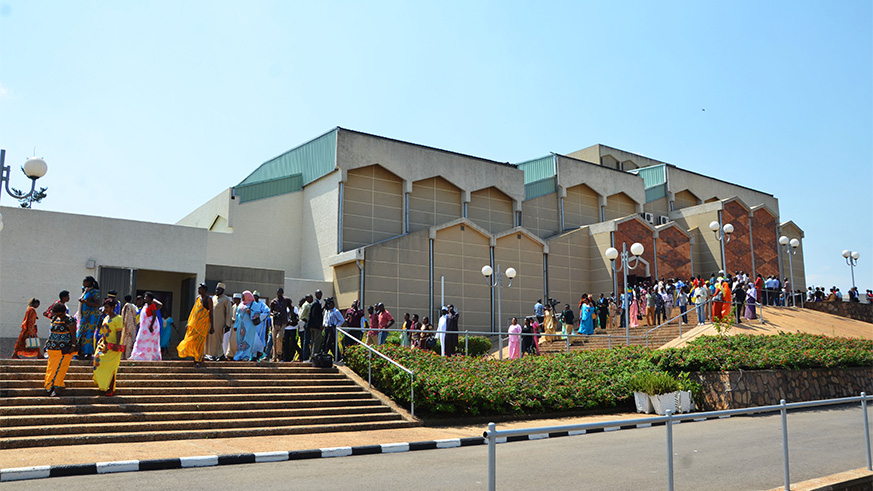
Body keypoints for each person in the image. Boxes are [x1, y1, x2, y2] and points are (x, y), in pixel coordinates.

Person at [44, 302, 78, 397]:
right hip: (52, 348)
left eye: (61, 314)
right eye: (57, 314)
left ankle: (57, 387)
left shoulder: (70, 320)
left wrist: (73, 346)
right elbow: (51, 333)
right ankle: (51, 385)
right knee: (52, 368)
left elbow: (73, 334)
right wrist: (47, 344)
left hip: (64, 349)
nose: (59, 316)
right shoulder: (54, 318)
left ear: (64, 312)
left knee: (61, 369)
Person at [177, 283, 214, 367]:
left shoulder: (208, 299)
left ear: (204, 290)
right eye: (198, 288)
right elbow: (193, 312)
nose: (199, 290)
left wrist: (212, 326)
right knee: (192, 341)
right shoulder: (198, 298)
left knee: (200, 343)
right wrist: (189, 323)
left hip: (203, 325)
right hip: (195, 325)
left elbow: (211, 313)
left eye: (200, 289)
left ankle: (198, 360)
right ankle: (197, 357)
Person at [93, 298, 124, 396]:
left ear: (112, 307)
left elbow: (119, 332)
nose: (105, 309)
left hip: (113, 347)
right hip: (104, 345)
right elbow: (101, 328)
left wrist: (117, 345)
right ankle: (103, 384)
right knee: (97, 362)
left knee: (112, 368)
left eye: (107, 307)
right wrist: (101, 316)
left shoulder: (118, 318)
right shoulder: (106, 317)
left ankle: (111, 388)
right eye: (104, 307)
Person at [234, 290, 270, 361]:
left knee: (247, 341)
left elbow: (259, 314)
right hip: (241, 326)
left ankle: (246, 356)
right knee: (240, 341)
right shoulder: (241, 304)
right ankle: (239, 356)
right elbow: (237, 315)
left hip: (249, 326)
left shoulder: (255, 305)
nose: (242, 297)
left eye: (244, 296)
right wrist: (236, 325)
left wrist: (251, 313)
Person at [129, 292, 163, 361]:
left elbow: (154, 316)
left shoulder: (152, 305)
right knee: (140, 340)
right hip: (144, 327)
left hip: (150, 326)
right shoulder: (145, 305)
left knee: (149, 341)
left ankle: (148, 356)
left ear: (150, 298)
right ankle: (138, 355)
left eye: (146, 297)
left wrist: (151, 326)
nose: (144, 298)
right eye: (144, 297)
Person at [77, 276, 101, 360]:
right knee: (82, 333)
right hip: (85, 316)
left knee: (88, 334)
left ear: (89, 282)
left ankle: (88, 353)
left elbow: (97, 304)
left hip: (91, 316)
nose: (83, 283)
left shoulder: (94, 292)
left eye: (85, 282)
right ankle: (81, 352)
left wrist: (86, 302)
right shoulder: (86, 290)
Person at [208, 283, 232, 361]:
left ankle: (220, 355)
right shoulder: (213, 298)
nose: (217, 291)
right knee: (212, 339)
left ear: (223, 290)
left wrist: (228, 324)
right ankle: (213, 355)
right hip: (212, 322)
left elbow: (228, 312)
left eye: (219, 289)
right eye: (216, 289)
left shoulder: (226, 299)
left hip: (220, 323)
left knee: (218, 339)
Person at [269, 288, 293, 362]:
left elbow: (291, 308)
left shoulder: (286, 300)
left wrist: (290, 318)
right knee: (274, 340)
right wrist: (274, 314)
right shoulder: (273, 302)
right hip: (275, 322)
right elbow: (270, 312)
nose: (279, 294)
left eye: (280, 293)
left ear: (282, 293)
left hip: (283, 321)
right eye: (278, 293)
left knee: (279, 337)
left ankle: (279, 354)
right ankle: (274, 356)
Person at [305, 291, 324, 360]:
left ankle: (312, 356)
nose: (320, 295)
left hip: (313, 325)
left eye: (321, 294)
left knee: (313, 341)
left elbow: (317, 313)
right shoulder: (316, 303)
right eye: (318, 294)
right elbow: (314, 315)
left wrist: (323, 309)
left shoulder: (317, 303)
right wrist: (319, 325)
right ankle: (314, 357)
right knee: (316, 342)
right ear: (315, 295)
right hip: (315, 326)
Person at [120, 295, 138, 359]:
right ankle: (127, 355)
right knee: (129, 341)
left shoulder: (127, 306)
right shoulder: (133, 306)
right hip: (132, 326)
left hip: (127, 326)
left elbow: (126, 316)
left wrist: (124, 325)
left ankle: (125, 356)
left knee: (125, 341)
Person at [225, 293, 242, 359]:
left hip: (239, 326)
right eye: (234, 299)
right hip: (233, 326)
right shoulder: (233, 306)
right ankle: (231, 354)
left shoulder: (241, 306)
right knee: (232, 340)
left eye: (236, 299)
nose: (235, 300)